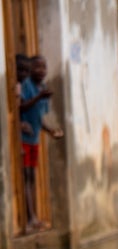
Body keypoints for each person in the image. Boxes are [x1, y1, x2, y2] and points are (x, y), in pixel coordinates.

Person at [18, 55, 63, 234]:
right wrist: (38, 97)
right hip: (23, 138)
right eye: (37, 67)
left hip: (34, 139)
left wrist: (51, 130)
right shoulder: (26, 86)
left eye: (43, 68)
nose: (41, 71)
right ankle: (29, 218)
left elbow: (39, 117)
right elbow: (21, 107)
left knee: (32, 177)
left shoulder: (43, 89)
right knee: (26, 176)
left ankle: (34, 217)